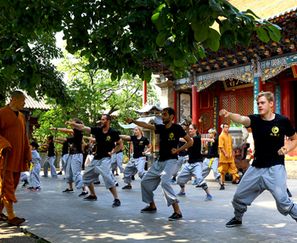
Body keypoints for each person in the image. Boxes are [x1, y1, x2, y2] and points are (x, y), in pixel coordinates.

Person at [219, 91, 297, 227]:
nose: (259, 105)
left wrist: (287, 148)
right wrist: (229, 114)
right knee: (238, 197)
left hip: (275, 167)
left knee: (283, 202)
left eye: (262, 103)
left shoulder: (282, 121)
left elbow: (294, 138)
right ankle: (238, 218)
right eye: (258, 103)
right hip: (256, 167)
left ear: (271, 104)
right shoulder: (255, 120)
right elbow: (242, 119)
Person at [126, 107, 193, 221]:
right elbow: (146, 126)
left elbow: (190, 141)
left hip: (171, 161)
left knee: (165, 182)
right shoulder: (161, 128)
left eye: (165, 114)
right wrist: (133, 121)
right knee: (145, 182)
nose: (162, 116)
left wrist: (177, 150)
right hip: (160, 161)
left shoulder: (177, 128)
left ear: (171, 117)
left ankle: (177, 211)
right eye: (162, 114)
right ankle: (152, 206)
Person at [67, 114, 122, 207]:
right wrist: (73, 124)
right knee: (86, 177)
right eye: (101, 119)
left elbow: (120, 144)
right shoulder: (98, 130)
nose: (101, 121)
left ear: (108, 121)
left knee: (107, 176)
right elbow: (84, 128)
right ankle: (93, 195)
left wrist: (113, 151)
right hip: (96, 158)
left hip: (106, 158)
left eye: (103, 119)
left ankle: (116, 199)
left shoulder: (113, 132)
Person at [0, 90, 32, 226]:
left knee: (10, 187)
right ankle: (11, 217)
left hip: (18, 158)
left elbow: (24, 137)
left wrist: (27, 154)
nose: (24, 103)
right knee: (7, 186)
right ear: (14, 99)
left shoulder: (21, 116)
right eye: (23, 100)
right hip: (5, 158)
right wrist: (3, 144)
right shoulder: (2, 113)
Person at [51, 119, 88, 197]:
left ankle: (84, 189)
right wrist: (56, 129)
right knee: (68, 172)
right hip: (71, 155)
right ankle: (70, 188)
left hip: (77, 155)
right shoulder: (75, 131)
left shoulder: (79, 132)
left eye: (73, 123)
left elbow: (68, 136)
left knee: (76, 173)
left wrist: (60, 137)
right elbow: (66, 130)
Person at [176, 124, 213, 201]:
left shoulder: (196, 138)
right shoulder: (192, 138)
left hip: (197, 163)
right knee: (179, 179)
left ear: (195, 130)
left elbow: (187, 140)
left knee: (199, 178)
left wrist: (178, 138)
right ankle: (182, 191)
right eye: (189, 129)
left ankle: (208, 194)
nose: (190, 130)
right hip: (189, 163)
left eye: (191, 129)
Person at [218, 123, 240, 190]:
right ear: (223, 128)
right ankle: (222, 183)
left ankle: (236, 180)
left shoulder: (229, 136)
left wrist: (233, 153)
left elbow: (231, 146)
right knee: (223, 171)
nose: (227, 129)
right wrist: (225, 154)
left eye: (228, 127)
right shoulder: (221, 136)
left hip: (230, 156)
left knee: (234, 168)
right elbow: (221, 147)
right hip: (224, 157)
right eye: (226, 127)